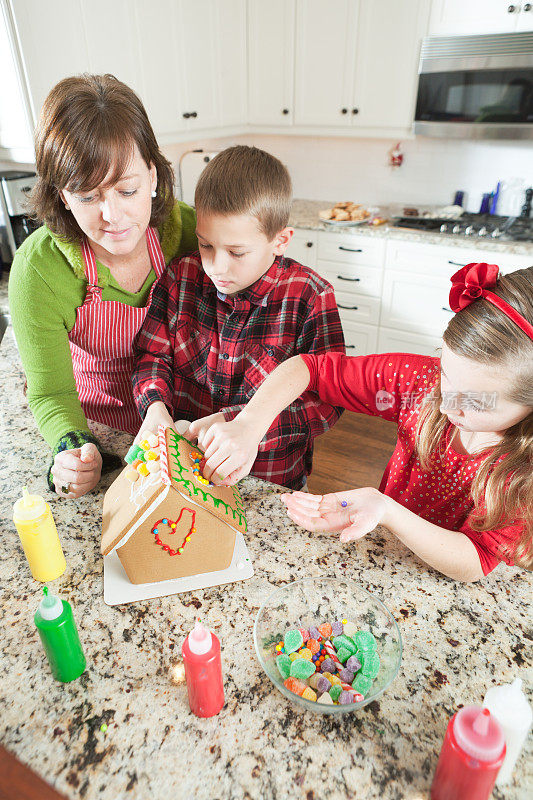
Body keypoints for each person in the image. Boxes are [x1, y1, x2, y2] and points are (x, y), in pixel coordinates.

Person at [193, 264, 533, 581]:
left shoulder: (524, 471)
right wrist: (249, 424)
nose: (446, 402)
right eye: (446, 372)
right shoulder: (421, 381)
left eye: (476, 400)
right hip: (387, 555)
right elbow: (309, 368)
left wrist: (387, 510)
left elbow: (474, 560)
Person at [8, 74, 197, 499]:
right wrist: (73, 449)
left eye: (127, 190)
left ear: (153, 175)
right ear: (61, 196)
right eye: (88, 197)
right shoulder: (39, 269)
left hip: (185, 426)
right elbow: (51, 390)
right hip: (102, 428)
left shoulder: (191, 234)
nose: (112, 216)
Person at [132, 145, 345, 490]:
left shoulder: (310, 296)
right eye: (206, 245)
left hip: (270, 481)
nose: (216, 266)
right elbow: (152, 355)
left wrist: (242, 423)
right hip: (188, 476)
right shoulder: (181, 276)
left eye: (237, 252)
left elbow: (327, 403)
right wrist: (155, 407)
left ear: (281, 241)